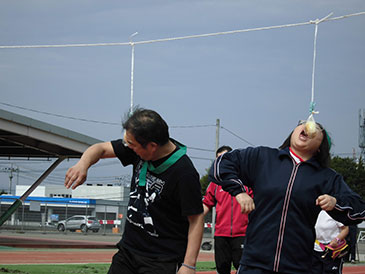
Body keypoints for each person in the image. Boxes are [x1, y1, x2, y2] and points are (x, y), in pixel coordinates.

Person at [208, 119, 365, 273]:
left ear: (320, 147)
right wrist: (239, 191)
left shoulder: (327, 177)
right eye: (302, 124)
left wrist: (335, 202)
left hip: (297, 266)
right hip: (254, 263)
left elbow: (359, 210)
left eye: (316, 129)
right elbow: (221, 164)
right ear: (293, 133)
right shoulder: (263, 157)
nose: (307, 127)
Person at [64, 108, 204, 274]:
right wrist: (82, 164)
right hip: (128, 253)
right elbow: (100, 148)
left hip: (162, 260)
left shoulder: (184, 173)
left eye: (132, 144)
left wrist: (188, 265)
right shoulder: (137, 149)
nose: (128, 147)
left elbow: (196, 219)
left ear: (152, 146)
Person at [203, 145, 252, 274]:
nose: (221, 163)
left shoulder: (246, 181)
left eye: (224, 159)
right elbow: (206, 203)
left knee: (242, 267)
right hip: (220, 234)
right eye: (218, 159)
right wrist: (191, 219)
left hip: (242, 234)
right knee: (222, 267)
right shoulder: (215, 184)